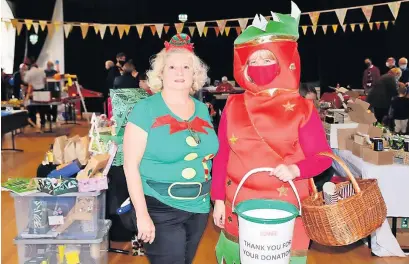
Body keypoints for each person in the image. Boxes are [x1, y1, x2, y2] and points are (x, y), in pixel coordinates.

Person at [211, 6, 332, 264]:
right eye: (252, 61)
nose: (258, 66)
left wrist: (296, 170)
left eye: (267, 59)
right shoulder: (232, 105)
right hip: (237, 202)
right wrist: (218, 200)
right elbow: (221, 156)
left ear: (283, 60)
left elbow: (323, 157)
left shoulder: (303, 108)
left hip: (288, 207)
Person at [122, 33, 219, 264]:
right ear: (161, 73)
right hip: (159, 207)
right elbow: (130, 166)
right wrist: (143, 215)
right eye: (172, 66)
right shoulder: (145, 109)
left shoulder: (202, 109)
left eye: (186, 67)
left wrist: (218, 201)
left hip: (199, 206)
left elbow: (208, 157)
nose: (179, 72)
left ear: (195, 74)